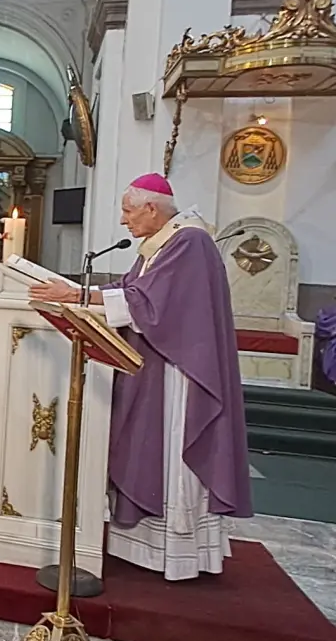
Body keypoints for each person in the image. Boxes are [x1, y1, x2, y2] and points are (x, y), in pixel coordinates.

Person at [29, 173, 252, 581]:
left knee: (171, 450)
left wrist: (77, 296)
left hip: (180, 373)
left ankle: (177, 550)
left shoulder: (189, 241)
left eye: (128, 211)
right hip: (159, 364)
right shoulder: (161, 244)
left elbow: (147, 303)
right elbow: (131, 288)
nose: (123, 221)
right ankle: (146, 544)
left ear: (152, 208)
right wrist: (77, 291)